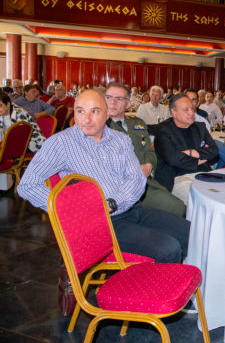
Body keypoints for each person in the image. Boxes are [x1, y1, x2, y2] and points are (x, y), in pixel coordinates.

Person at [17, 90, 190, 263]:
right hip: (101, 223)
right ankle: (158, 279)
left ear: (107, 114)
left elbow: (136, 178)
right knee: (169, 248)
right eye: (80, 111)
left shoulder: (120, 139)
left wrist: (115, 202)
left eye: (94, 111)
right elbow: (28, 184)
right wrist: (69, 209)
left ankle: (183, 276)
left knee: (190, 232)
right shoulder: (61, 143)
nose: (86, 119)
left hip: (133, 208)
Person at [104, 83, 186, 217]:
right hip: (118, 187)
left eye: (118, 98)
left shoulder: (137, 123)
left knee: (178, 207)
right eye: (108, 97)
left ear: (128, 104)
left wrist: (149, 165)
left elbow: (148, 150)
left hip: (145, 183)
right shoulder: (99, 127)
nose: (112, 102)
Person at [154, 95, 219, 192]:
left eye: (192, 108)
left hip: (204, 173)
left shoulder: (200, 127)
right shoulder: (163, 130)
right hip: (177, 177)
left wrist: (191, 152)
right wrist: (199, 159)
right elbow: (173, 159)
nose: (192, 112)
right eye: (186, 110)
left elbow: (214, 151)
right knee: (202, 195)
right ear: (174, 112)